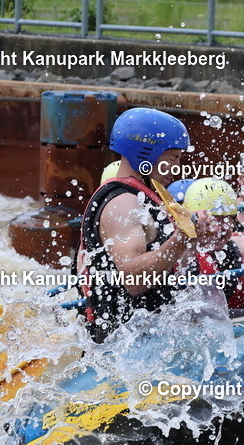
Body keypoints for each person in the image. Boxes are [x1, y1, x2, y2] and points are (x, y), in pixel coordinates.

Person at [76, 108, 211, 343]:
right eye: (173, 158)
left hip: (156, 336)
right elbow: (133, 280)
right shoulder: (123, 204)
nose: (178, 168)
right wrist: (181, 240)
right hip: (126, 347)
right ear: (146, 153)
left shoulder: (148, 195)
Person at [174, 177, 244, 310]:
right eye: (214, 219)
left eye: (227, 219)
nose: (221, 228)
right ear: (195, 220)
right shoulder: (181, 255)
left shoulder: (234, 249)